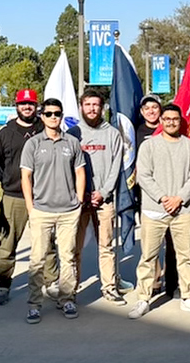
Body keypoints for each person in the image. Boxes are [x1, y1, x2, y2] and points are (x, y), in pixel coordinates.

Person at [128, 104, 190, 319]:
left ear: (181, 121)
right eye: (167, 119)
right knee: (148, 257)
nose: (171, 122)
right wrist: (163, 198)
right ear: (161, 121)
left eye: (175, 119)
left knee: (186, 256)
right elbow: (144, 176)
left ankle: (189, 297)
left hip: (183, 211)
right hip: (154, 211)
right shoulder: (149, 146)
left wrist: (179, 198)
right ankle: (143, 299)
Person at [20, 98, 86, 324]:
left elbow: (80, 172)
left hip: (68, 211)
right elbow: (26, 177)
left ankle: (67, 299)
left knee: (67, 257)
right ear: (42, 116)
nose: (53, 117)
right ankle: (34, 304)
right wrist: (31, 207)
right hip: (42, 211)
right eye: (48, 114)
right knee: (37, 259)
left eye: (57, 113)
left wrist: (78, 200)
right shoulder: (34, 144)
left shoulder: (72, 142)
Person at [0, 89, 59, 305]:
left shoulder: (45, 127)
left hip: (42, 196)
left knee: (47, 242)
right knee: (8, 242)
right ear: (16, 105)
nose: (27, 107)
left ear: (37, 106)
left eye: (31, 103)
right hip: (14, 196)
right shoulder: (5, 132)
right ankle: (4, 284)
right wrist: (8, 181)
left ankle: (51, 282)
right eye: (23, 103)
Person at [67, 89, 125, 305]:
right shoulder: (72, 134)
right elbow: (68, 168)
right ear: (81, 106)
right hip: (78, 202)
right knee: (74, 249)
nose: (92, 109)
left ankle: (109, 287)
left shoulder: (112, 134)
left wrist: (104, 192)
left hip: (104, 200)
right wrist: (79, 194)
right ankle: (70, 290)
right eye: (88, 104)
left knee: (106, 247)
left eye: (96, 105)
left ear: (102, 107)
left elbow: (116, 166)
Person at [135, 94, 178, 297]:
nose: (151, 111)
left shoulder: (170, 130)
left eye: (154, 107)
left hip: (173, 196)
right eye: (147, 108)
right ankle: (154, 278)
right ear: (142, 112)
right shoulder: (136, 132)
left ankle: (172, 280)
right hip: (147, 196)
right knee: (151, 243)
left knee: (173, 242)